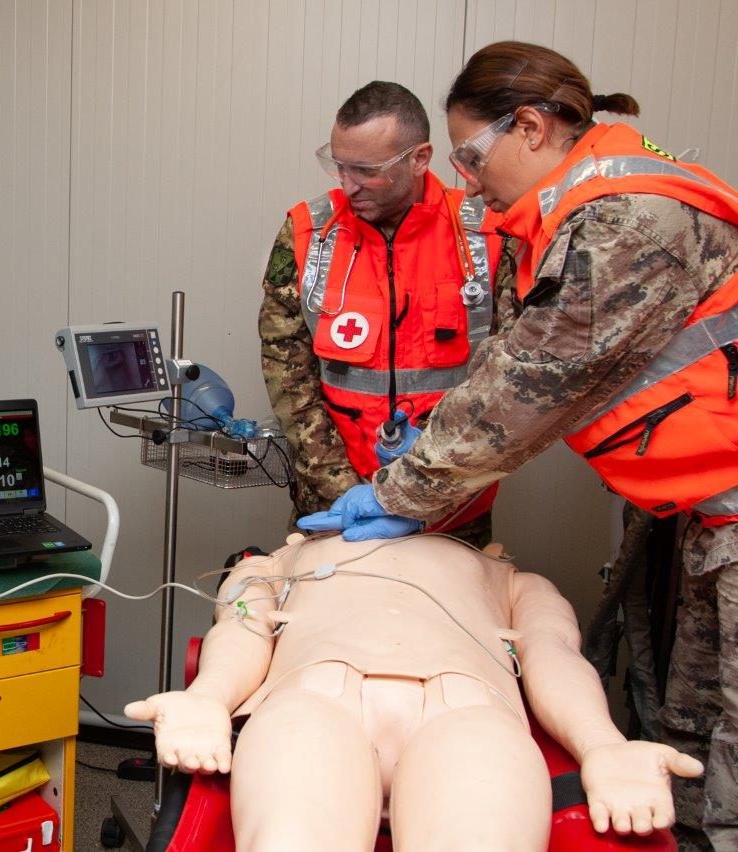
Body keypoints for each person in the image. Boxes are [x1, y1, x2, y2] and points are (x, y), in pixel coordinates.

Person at [301, 41, 738, 851]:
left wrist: (399, 493)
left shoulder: (624, 222)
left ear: (530, 128)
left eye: (471, 155)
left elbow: (522, 390)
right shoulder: (593, 204)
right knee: (693, 731)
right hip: (709, 515)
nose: (466, 179)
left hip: (725, 513)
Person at [126, 533, 703, 851]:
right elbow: (242, 628)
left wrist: (602, 743)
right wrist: (210, 696)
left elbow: (554, 654)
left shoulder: (509, 575)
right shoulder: (282, 559)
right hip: (313, 702)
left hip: (468, 717)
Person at [259, 81, 511, 547]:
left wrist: (426, 492)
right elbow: (287, 372)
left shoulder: (488, 233)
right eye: (339, 166)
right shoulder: (308, 233)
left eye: (366, 170)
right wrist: (344, 490)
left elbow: (507, 380)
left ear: (419, 158)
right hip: (335, 505)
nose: (347, 184)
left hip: (451, 507)